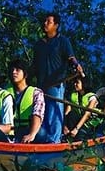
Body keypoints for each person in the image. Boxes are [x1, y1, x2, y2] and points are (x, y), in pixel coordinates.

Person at [33, 13, 84, 143]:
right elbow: (34, 64)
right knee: (41, 112)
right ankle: (42, 140)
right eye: (45, 21)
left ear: (56, 25)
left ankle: (54, 141)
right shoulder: (39, 44)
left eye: (48, 22)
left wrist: (76, 65)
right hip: (41, 85)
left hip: (56, 83)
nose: (45, 23)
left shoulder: (62, 41)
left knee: (55, 112)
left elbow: (70, 57)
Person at [5, 59, 48, 143]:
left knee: (41, 133)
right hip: (11, 130)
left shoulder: (36, 92)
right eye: (12, 70)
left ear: (25, 74)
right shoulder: (4, 92)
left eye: (17, 70)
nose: (14, 72)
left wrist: (32, 134)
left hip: (27, 129)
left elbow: (37, 114)